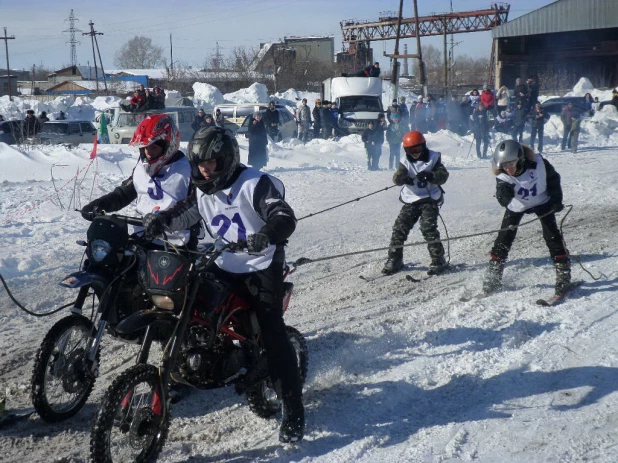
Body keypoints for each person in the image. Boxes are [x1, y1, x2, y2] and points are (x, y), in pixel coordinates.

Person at [142, 126, 305, 444]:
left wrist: (267, 234)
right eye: (200, 163)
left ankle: (294, 409)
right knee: (186, 307)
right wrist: (162, 219)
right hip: (222, 263)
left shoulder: (255, 183)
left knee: (272, 334)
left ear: (227, 158)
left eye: (212, 162)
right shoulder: (202, 188)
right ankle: (184, 370)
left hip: (262, 266)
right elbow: (186, 212)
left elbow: (284, 216)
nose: (205, 169)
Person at [81, 113, 196, 249]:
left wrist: (165, 219)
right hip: (143, 237)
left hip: (177, 244)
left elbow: (195, 207)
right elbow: (124, 194)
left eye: (154, 147)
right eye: (145, 147)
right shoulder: (141, 167)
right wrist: (100, 204)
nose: (148, 153)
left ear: (169, 146)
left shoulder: (189, 170)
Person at [483, 140, 570, 296]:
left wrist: (556, 200)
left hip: (542, 201)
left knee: (552, 235)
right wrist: (503, 195)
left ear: (520, 157)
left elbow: (553, 180)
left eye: (511, 163)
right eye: (504, 165)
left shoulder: (540, 164)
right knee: (504, 238)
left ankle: (563, 273)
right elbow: (502, 197)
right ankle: (493, 277)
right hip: (518, 205)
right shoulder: (503, 174)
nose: (508, 168)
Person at [382, 131, 449, 276]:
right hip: (411, 199)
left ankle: (438, 259)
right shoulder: (405, 162)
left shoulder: (433, 158)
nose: (415, 153)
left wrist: (431, 175)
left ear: (423, 146)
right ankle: (395, 259)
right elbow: (396, 178)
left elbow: (443, 176)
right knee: (400, 227)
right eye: (410, 151)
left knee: (427, 228)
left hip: (429, 199)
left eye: (417, 149)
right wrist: (403, 179)